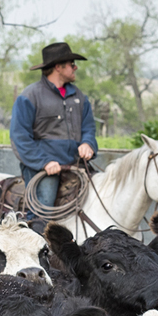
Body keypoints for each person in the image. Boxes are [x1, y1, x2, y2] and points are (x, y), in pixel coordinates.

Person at [10, 41, 97, 221]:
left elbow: (88, 127)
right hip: (42, 168)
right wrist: (44, 162)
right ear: (58, 67)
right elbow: (20, 138)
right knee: (44, 212)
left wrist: (88, 143)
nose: (76, 68)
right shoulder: (29, 96)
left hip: (76, 164)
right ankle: (35, 241)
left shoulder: (80, 97)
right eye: (72, 64)